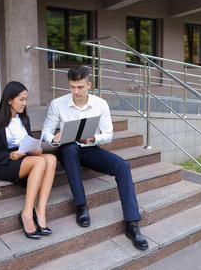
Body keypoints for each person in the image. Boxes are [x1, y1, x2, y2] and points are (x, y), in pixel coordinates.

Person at [42, 66, 149, 250]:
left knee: (122, 165)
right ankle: (81, 206)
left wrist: (93, 138)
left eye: (80, 87)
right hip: (68, 150)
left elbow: (108, 134)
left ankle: (132, 224)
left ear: (89, 85)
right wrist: (54, 138)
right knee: (69, 148)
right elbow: (46, 131)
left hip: (90, 149)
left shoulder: (100, 104)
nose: (76, 91)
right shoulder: (57, 104)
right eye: (72, 87)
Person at [0, 81, 57, 239]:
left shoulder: (24, 119)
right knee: (41, 162)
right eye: (21, 99)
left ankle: (40, 211)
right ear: (9, 100)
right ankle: (27, 214)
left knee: (51, 158)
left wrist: (35, 149)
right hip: (5, 163)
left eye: (26, 99)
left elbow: (26, 143)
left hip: (23, 159)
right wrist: (9, 155)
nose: (24, 103)